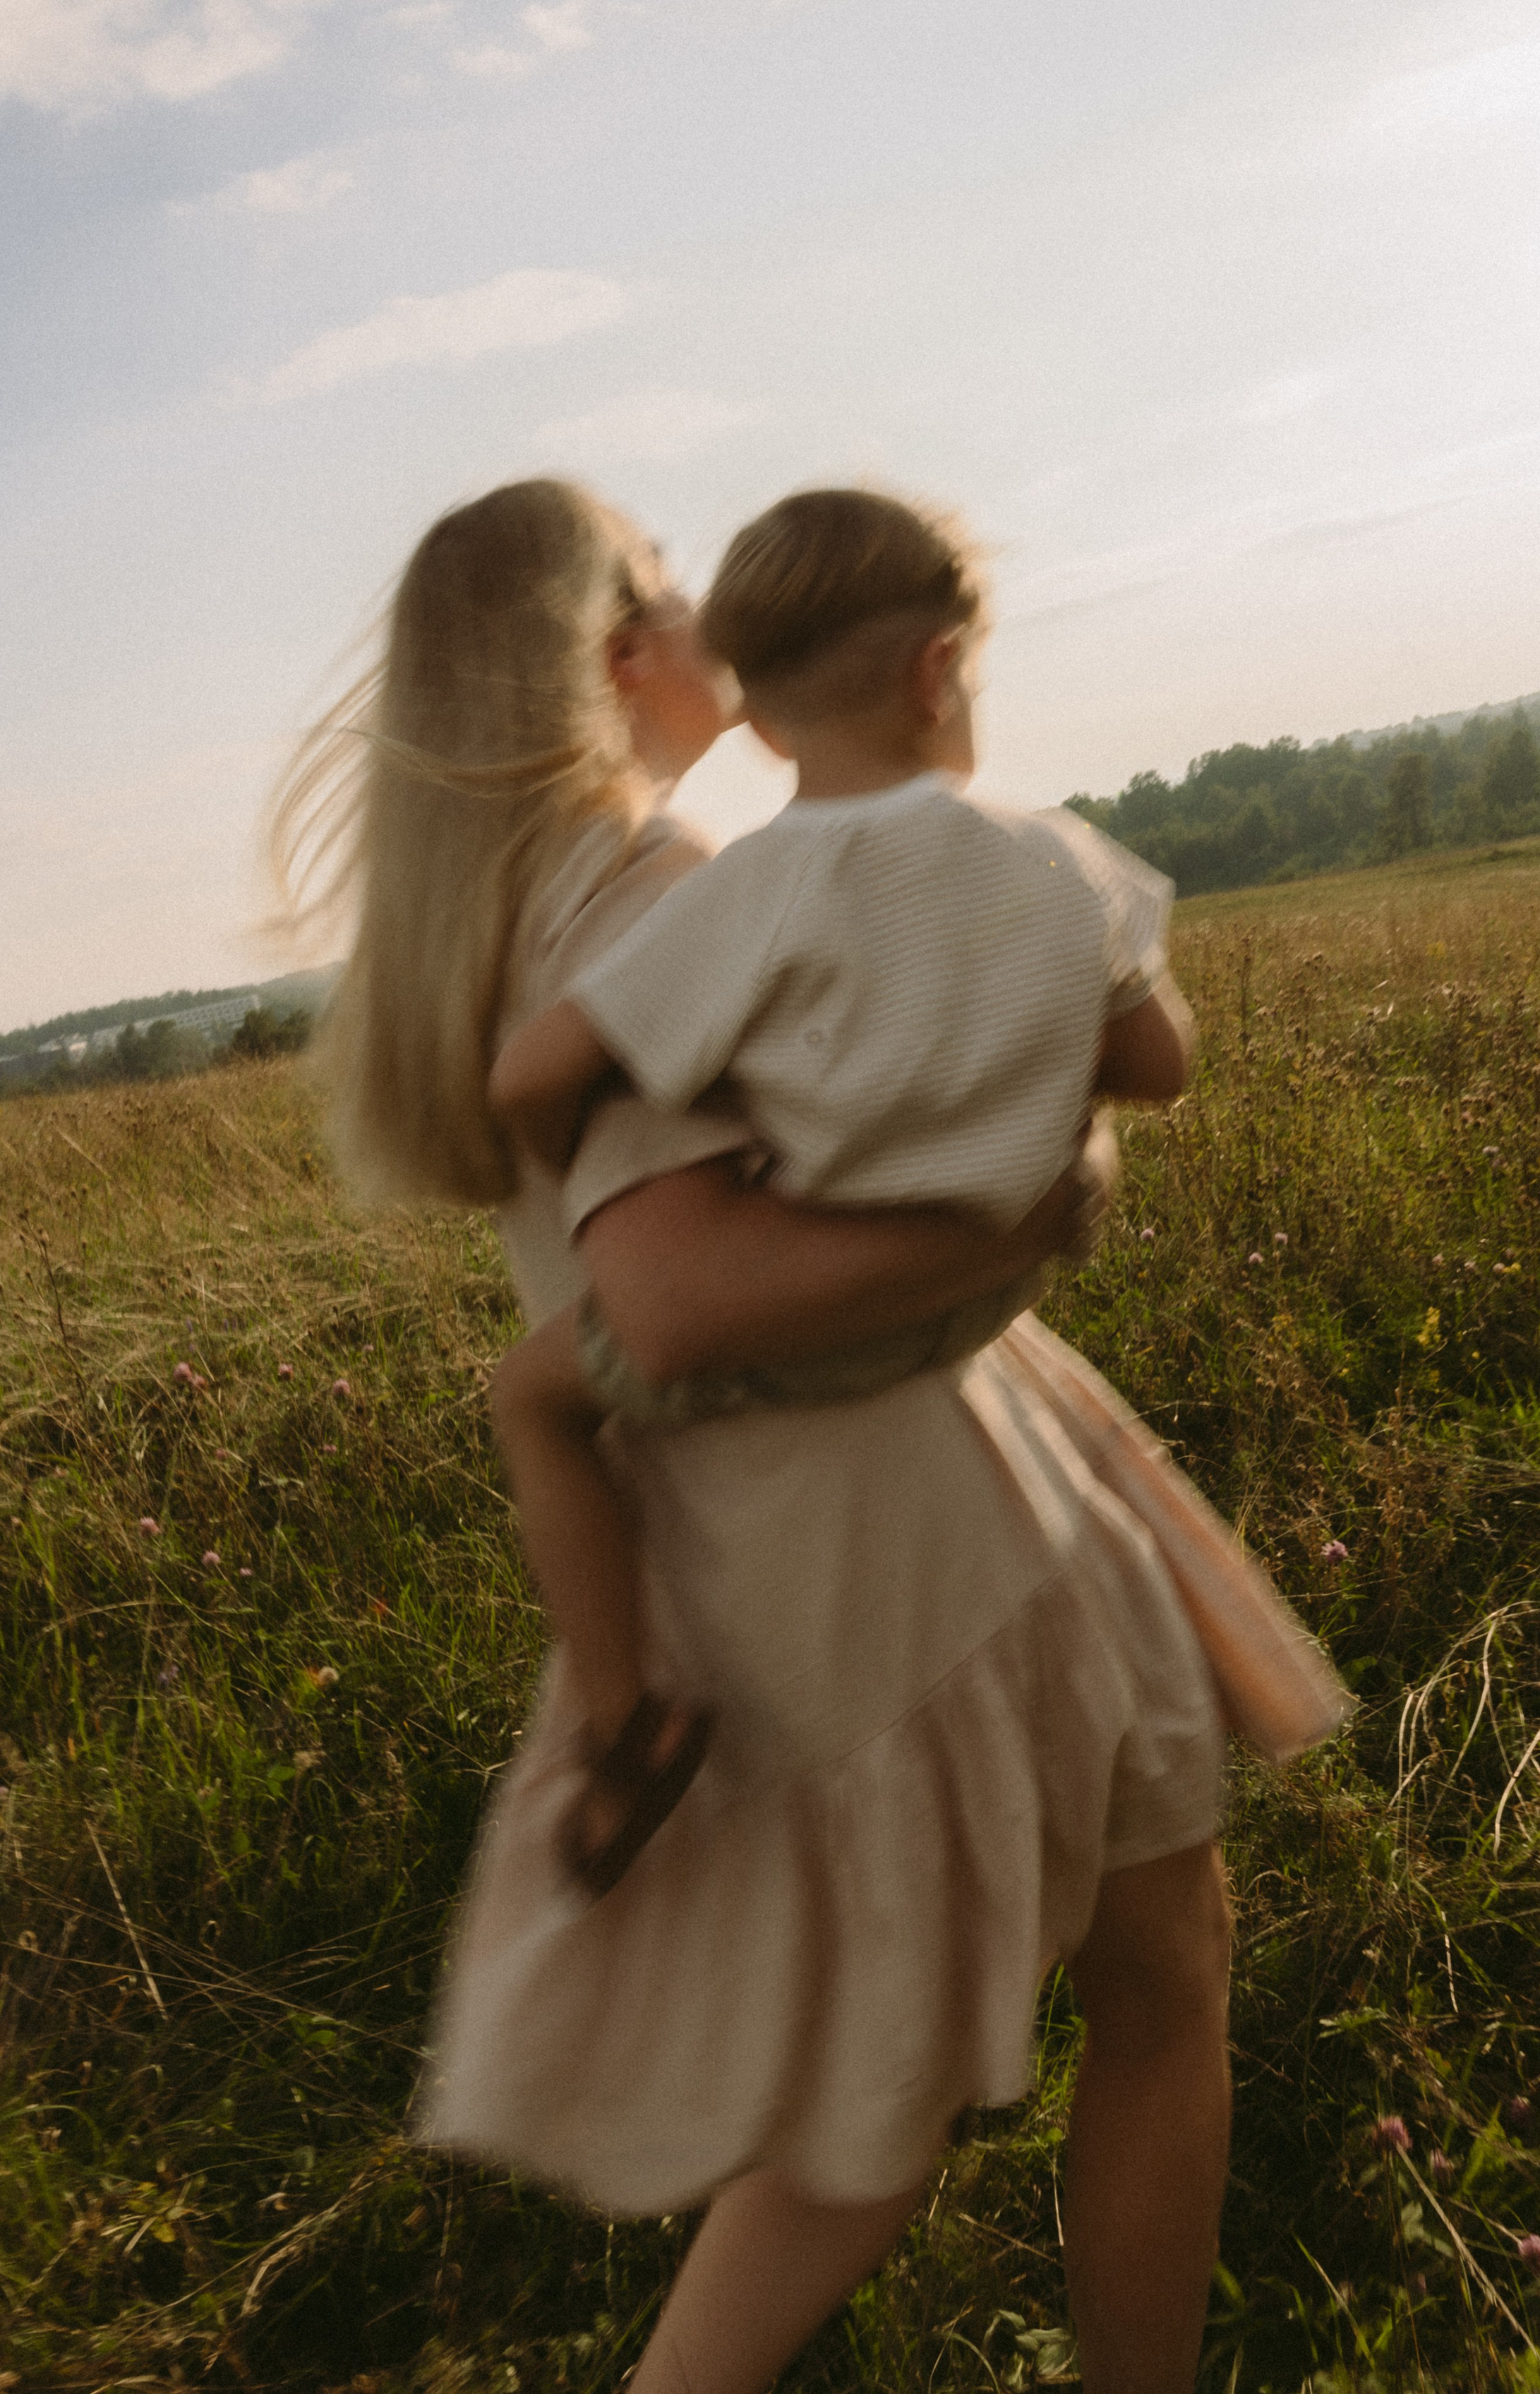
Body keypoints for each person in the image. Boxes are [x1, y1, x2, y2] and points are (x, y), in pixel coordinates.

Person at [279, 476, 1349, 2394]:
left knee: (936, 2056)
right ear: (619, 656)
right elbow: (682, 1293)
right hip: (903, 1507)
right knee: (1033, 2034)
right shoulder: (661, 883)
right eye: (675, 594)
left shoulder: (496, 919)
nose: (711, 627)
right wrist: (1031, 1199)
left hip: (760, 1515)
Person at [482, 488, 1201, 1901]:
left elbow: (525, 1080)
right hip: (987, 1303)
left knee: (529, 1398)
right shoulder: (1059, 853)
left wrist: (660, 1100)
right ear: (940, 669)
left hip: (816, 1333)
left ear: (755, 719)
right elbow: (1157, 1060)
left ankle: (627, 1725)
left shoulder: (736, 899)